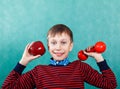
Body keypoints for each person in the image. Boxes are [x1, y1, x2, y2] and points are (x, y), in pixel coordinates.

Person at [2, 24, 117, 89]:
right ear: (48, 46)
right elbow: (7, 87)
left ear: (70, 46)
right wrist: (23, 62)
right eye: (53, 43)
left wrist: (99, 58)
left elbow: (111, 84)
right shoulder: (39, 72)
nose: (58, 48)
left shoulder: (80, 68)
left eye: (63, 42)